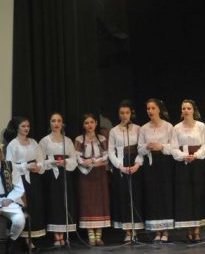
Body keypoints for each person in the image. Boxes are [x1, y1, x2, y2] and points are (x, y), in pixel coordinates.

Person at [170, 99, 205, 242]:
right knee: (185, 196)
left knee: (198, 194)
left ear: (194, 110)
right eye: (184, 108)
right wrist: (184, 156)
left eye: (189, 108)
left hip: (197, 164)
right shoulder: (176, 128)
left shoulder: (201, 126)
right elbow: (174, 147)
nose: (186, 111)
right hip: (183, 164)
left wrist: (196, 155)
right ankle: (188, 229)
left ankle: (197, 230)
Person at [4, 117, 47, 250]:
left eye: (28, 126)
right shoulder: (13, 145)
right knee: (24, 206)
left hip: (34, 178)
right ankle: (25, 239)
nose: (26, 128)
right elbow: (9, 165)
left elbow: (40, 159)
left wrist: (39, 166)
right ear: (17, 128)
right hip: (20, 180)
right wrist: (25, 166)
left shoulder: (33, 142)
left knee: (35, 206)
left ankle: (33, 236)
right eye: (23, 126)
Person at [39, 112, 78, 246]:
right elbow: (40, 160)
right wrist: (51, 162)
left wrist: (65, 162)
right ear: (50, 123)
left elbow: (74, 159)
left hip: (65, 174)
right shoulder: (45, 141)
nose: (56, 123)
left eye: (59, 121)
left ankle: (64, 233)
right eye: (53, 121)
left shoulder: (67, 141)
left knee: (65, 201)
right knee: (54, 203)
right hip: (52, 176)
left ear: (62, 124)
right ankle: (56, 235)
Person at [138, 98, 174, 242]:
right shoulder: (144, 128)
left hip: (164, 163)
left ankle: (165, 231)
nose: (150, 111)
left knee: (165, 194)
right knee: (152, 195)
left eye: (153, 108)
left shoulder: (168, 126)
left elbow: (174, 147)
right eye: (148, 109)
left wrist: (161, 147)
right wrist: (147, 146)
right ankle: (156, 230)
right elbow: (139, 149)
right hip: (150, 164)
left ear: (159, 109)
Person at [108, 100, 144, 242]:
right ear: (118, 114)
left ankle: (135, 229)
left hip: (135, 165)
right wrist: (120, 166)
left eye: (127, 113)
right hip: (121, 166)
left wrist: (137, 164)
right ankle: (127, 230)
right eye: (122, 113)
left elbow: (141, 149)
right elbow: (111, 152)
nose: (124, 115)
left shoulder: (138, 129)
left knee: (135, 196)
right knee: (123, 197)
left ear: (131, 114)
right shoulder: (114, 131)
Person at [75, 113, 111, 246]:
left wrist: (94, 161)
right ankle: (91, 235)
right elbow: (77, 156)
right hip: (86, 175)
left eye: (91, 122)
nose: (89, 125)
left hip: (99, 174)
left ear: (96, 123)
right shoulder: (79, 139)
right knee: (88, 203)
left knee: (100, 202)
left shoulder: (102, 139)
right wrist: (86, 162)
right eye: (86, 123)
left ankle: (99, 235)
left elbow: (107, 156)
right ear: (83, 125)